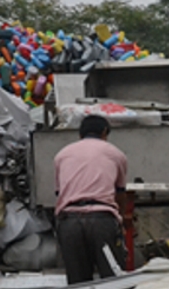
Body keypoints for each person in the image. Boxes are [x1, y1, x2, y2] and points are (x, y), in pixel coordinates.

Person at [54, 115, 128, 284]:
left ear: (80, 135)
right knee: (113, 280)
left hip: (69, 222)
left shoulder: (61, 155)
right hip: (102, 220)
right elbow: (120, 193)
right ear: (104, 133)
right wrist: (121, 220)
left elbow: (60, 193)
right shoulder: (116, 154)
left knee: (78, 282)